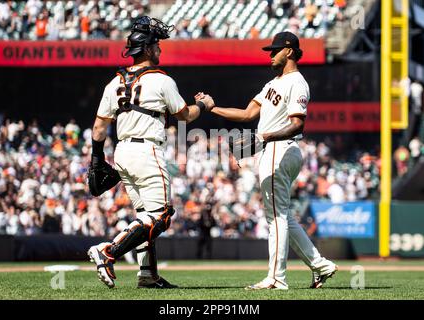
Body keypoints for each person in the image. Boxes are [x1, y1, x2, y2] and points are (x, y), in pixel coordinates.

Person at [197, 32, 338, 290]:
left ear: (290, 51)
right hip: (274, 148)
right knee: (283, 215)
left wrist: (264, 136)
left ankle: (276, 278)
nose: (271, 54)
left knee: (276, 217)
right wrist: (211, 107)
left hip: (280, 148)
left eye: (275, 50)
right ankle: (320, 265)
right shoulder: (273, 83)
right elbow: (247, 113)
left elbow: (297, 124)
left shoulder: (297, 82)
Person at [87, 16, 212, 289]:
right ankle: (108, 251)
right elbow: (185, 116)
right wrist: (203, 104)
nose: (159, 49)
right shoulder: (161, 80)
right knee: (162, 215)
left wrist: (97, 159)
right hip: (147, 150)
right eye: (156, 45)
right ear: (146, 49)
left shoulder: (114, 83)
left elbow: (98, 127)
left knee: (145, 215)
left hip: (121, 153)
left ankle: (147, 275)